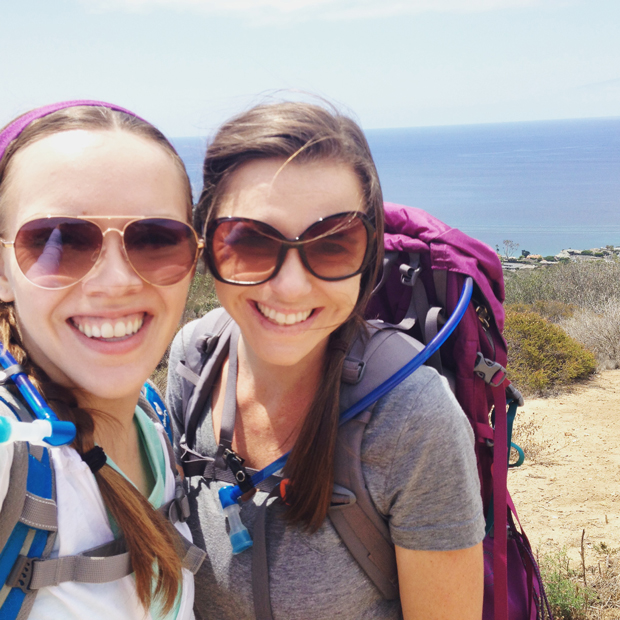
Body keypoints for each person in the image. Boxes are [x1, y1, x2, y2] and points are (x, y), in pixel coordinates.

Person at [167, 101, 485, 619]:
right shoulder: (194, 359)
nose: (290, 286)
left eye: (334, 243)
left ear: (369, 254)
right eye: (249, 241)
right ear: (207, 250)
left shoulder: (412, 418)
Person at [0, 101, 204, 619]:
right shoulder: (12, 450)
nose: (116, 282)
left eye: (156, 240)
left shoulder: (153, 421)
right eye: (57, 241)